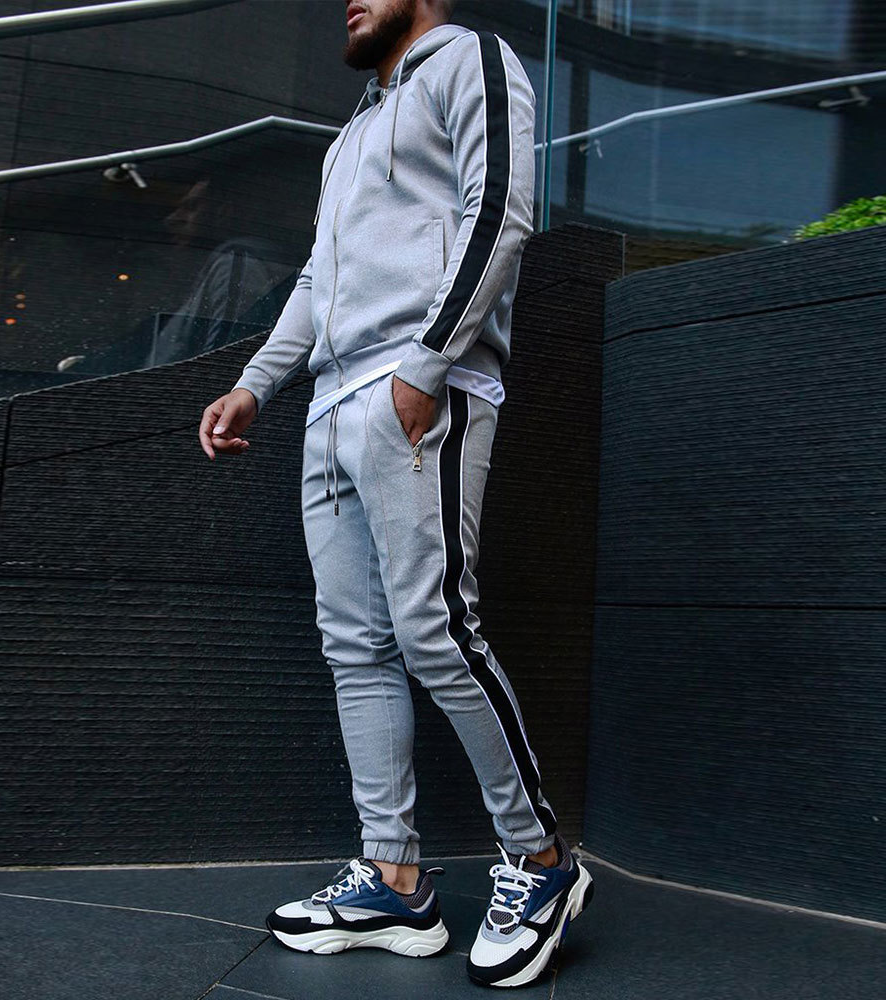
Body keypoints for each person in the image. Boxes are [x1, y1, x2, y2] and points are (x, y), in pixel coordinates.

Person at [197, 0, 593, 988]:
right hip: (330, 405)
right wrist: (256, 384)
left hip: (414, 390)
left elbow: (500, 212)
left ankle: (541, 859)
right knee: (355, 646)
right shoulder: (353, 132)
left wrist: (426, 364)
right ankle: (394, 877)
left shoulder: (471, 61)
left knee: (435, 630)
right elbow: (316, 279)